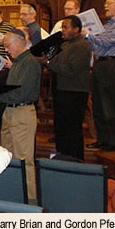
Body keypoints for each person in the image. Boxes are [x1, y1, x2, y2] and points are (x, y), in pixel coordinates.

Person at [0, 31, 42, 200]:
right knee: (8, 157)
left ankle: (29, 200)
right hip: (9, 111)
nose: (6, 50)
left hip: (22, 112)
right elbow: (11, 88)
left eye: (8, 46)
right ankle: (13, 194)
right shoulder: (18, 62)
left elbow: (22, 93)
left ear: (20, 42)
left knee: (24, 160)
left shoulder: (29, 62)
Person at [37, 16, 91, 160]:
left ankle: (75, 160)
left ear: (77, 29)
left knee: (72, 129)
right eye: (62, 27)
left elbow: (70, 69)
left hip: (75, 92)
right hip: (61, 90)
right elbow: (52, 60)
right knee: (60, 127)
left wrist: (48, 62)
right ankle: (61, 157)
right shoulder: (64, 44)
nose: (63, 30)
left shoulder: (83, 46)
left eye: (66, 27)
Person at [85, 0, 115, 152]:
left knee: (111, 105)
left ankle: (113, 142)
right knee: (99, 106)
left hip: (111, 65)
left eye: (108, 3)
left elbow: (107, 41)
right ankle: (102, 139)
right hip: (100, 64)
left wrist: (89, 36)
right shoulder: (106, 25)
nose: (105, 6)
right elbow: (97, 47)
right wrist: (91, 39)